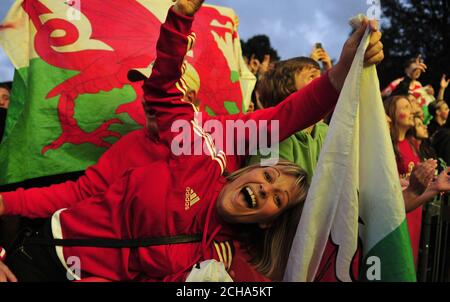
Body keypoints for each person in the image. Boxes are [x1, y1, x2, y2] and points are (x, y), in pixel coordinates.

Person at [0, 0, 385, 282]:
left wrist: (341, 75)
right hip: (43, 253)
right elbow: (78, 192)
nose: (265, 190)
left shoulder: (211, 155)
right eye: (268, 179)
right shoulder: (141, 144)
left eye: (277, 198)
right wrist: (180, 17)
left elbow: (284, 117)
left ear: (195, 110)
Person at [384, 94, 450, 267]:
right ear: (391, 114)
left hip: (415, 211)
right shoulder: (387, 145)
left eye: (410, 107)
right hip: (397, 216)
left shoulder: (411, 144)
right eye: (405, 108)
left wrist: (433, 182)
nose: (411, 111)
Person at [249, 57, 326, 183]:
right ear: (290, 94)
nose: (322, 81)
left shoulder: (325, 131)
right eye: (312, 76)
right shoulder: (274, 138)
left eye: (321, 75)